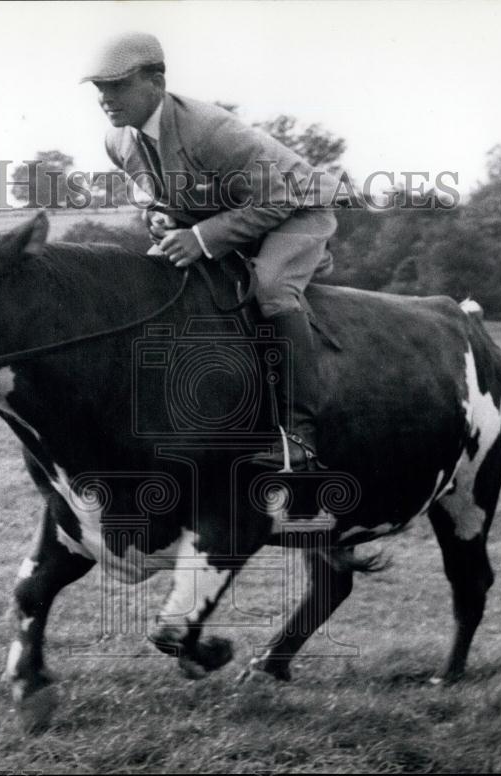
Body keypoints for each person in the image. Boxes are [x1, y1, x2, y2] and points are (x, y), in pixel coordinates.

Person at [82, 31, 341, 471]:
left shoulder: (209, 130)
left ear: (156, 85)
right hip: (237, 215)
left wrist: (200, 238)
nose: (106, 98)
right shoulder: (117, 141)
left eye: (119, 85)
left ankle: (300, 435)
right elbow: (164, 200)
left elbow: (277, 199)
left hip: (299, 209)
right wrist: (164, 220)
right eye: (100, 88)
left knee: (271, 287)